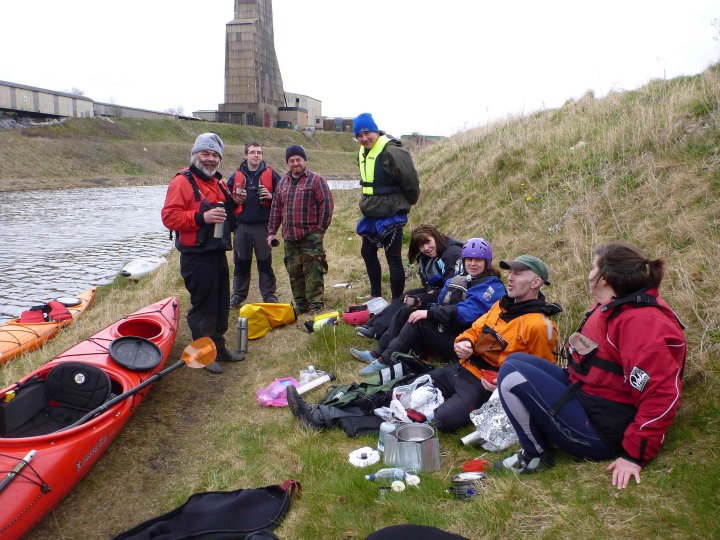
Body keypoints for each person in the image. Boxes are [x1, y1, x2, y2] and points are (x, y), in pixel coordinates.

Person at [495, 243, 686, 488]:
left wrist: (633, 455)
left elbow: (661, 394)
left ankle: (535, 456)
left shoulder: (641, 324)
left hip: (603, 432)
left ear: (605, 279)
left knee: (512, 374)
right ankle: (541, 443)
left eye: (592, 267)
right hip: (588, 398)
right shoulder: (614, 305)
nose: (588, 274)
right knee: (515, 362)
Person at [428, 254, 561, 432]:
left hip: (483, 386)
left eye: (519, 273)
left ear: (536, 282)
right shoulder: (501, 305)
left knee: (441, 421)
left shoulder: (539, 326)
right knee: (407, 390)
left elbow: (543, 375)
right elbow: (474, 330)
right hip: (462, 368)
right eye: (511, 272)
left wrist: (502, 382)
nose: (510, 278)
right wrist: (464, 342)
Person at [351, 238, 505, 377]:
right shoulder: (460, 279)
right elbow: (442, 303)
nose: (472, 264)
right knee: (408, 310)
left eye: (478, 260)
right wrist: (423, 306)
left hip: (463, 342)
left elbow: (466, 313)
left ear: (487, 262)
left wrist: (429, 313)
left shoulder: (491, 287)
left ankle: (385, 361)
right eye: (469, 259)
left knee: (419, 322)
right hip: (447, 328)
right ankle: (376, 353)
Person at [161, 133, 244, 374]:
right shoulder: (182, 182)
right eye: (205, 154)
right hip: (196, 257)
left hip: (216, 252)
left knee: (220, 304)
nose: (210, 159)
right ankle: (202, 354)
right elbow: (168, 217)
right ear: (195, 155)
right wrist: (201, 217)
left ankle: (218, 346)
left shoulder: (217, 182)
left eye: (215, 155)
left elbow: (230, 210)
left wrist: (236, 201)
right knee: (203, 307)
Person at [353, 112, 420, 301]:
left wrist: (407, 202)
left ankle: (397, 300)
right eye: (359, 135)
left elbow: (411, 181)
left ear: (375, 131)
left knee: (393, 258)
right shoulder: (363, 151)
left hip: (391, 212)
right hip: (372, 212)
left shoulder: (392, 151)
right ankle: (376, 295)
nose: (364, 138)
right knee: (367, 251)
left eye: (367, 133)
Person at [356, 224, 463, 340]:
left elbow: (453, 285)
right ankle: (373, 323)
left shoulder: (453, 253)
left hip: (449, 296)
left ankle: (378, 331)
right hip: (436, 290)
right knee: (406, 295)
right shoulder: (426, 255)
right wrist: (428, 289)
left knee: (411, 300)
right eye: (421, 246)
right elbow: (425, 277)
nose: (426, 248)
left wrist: (432, 293)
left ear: (435, 237)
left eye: (428, 242)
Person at [267, 145, 334, 313]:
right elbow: (276, 209)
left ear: (305, 160)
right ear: (288, 163)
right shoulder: (282, 182)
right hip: (289, 237)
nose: (295, 163)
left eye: (298, 159)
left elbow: (327, 205)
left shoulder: (316, 180)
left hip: (310, 235)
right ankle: (300, 304)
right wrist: (272, 232)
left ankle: (315, 305)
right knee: (294, 271)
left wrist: (320, 230)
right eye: (291, 160)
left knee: (314, 271)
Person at [226, 142, 281, 308]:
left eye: (259, 152)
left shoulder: (272, 175)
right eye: (252, 152)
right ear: (246, 155)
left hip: (263, 227)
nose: (256, 155)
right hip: (241, 226)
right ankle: (238, 295)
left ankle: (269, 295)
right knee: (241, 262)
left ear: (262, 155)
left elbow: (282, 197)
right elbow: (226, 201)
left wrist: (271, 196)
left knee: (265, 262)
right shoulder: (235, 177)